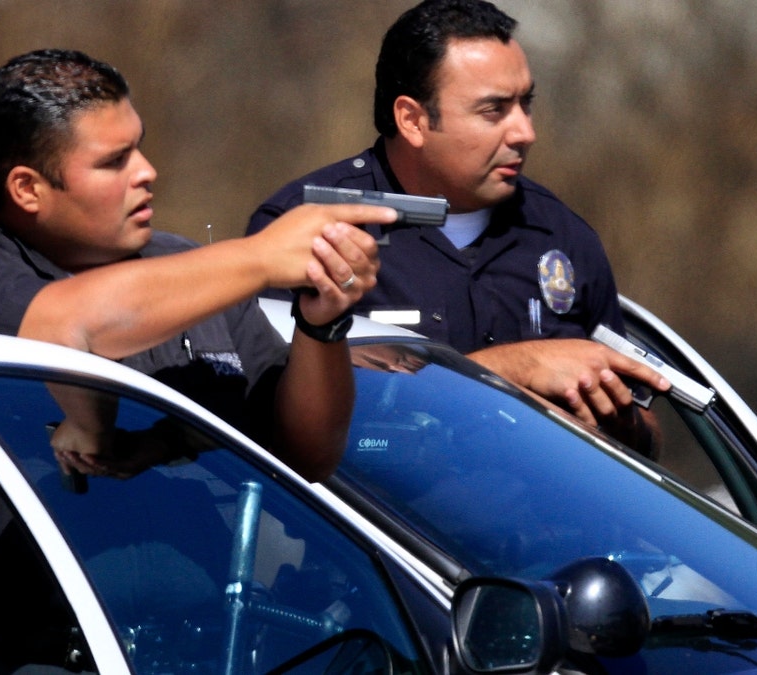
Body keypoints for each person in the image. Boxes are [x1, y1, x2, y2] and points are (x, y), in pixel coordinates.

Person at [0, 48, 393, 673]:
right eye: (113, 161)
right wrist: (264, 257)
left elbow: (305, 456)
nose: (148, 172)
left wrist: (322, 322)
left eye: (140, 147)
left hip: (198, 648)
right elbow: (67, 325)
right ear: (27, 187)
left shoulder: (185, 272)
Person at [248, 0, 669, 452]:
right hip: (365, 519)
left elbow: (646, 433)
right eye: (494, 110)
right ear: (412, 119)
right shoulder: (305, 229)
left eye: (526, 104)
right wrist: (512, 369)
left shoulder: (563, 236)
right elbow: (274, 427)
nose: (524, 132)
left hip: (536, 520)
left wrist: (611, 416)